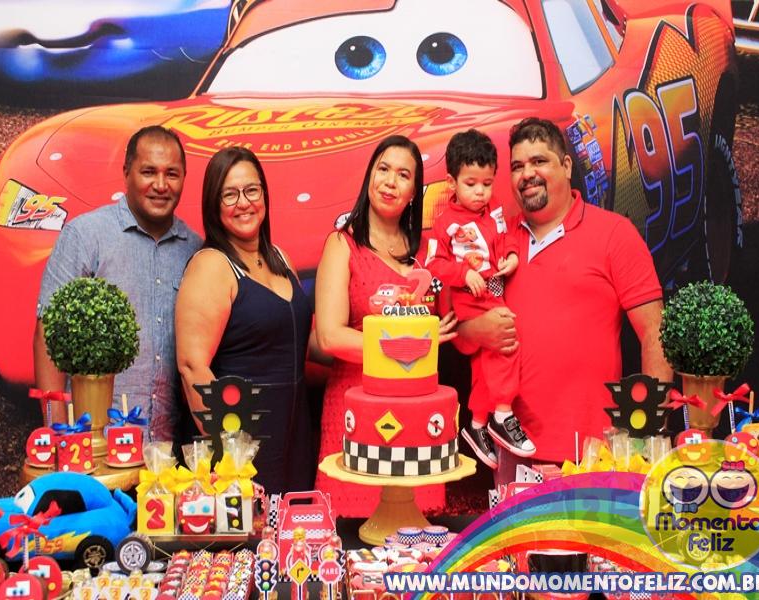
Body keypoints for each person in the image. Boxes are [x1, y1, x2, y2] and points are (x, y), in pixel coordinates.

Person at [457, 118, 673, 475]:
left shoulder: (614, 233)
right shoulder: (495, 241)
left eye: (539, 161)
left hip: (595, 455)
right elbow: (461, 334)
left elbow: (655, 333)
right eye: (517, 166)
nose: (527, 174)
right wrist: (478, 330)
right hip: (513, 450)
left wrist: (647, 435)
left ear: (567, 166)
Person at [314, 135, 457, 518]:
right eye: (383, 169)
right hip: (356, 412)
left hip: (418, 415)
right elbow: (329, 335)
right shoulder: (342, 245)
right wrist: (409, 344)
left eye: (403, 175)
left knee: (417, 535)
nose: (390, 182)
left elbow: (448, 320)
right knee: (352, 534)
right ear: (369, 177)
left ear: (414, 192)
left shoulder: (427, 252)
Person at [34, 125, 202, 442]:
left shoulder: (195, 250)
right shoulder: (86, 236)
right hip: (94, 446)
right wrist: (55, 434)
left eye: (172, 174)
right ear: (126, 172)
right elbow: (48, 334)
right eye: (148, 172)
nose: (161, 185)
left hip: (168, 452)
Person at [175, 147, 317, 495]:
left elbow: (303, 342)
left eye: (252, 190)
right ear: (214, 204)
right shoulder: (211, 265)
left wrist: (375, 338)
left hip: (296, 437)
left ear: (264, 195)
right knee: (250, 529)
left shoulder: (279, 257)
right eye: (230, 194)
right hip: (242, 447)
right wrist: (231, 456)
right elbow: (192, 367)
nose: (244, 203)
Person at [427, 129, 535, 471]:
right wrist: (463, 273)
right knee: (507, 341)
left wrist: (512, 257)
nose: (480, 192)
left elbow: (505, 239)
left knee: (487, 362)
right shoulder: (444, 223)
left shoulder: (495, 211)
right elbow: (433, 263)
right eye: (471, 183)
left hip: (493, 289)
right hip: (469, 300)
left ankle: (476, 422)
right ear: (452, 182)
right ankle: (502, 413)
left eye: (487, 183)